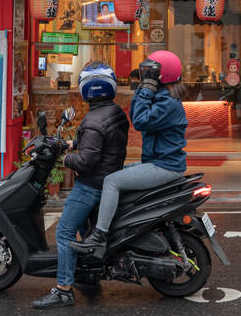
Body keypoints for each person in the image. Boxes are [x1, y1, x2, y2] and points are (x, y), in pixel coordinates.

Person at [73, 50, 187, 260]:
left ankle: (99, 235)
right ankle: (117, 230)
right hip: (157, 163)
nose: (145, 75)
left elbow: (140, 121)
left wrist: (145, 90)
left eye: (150, 72)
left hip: (165, 166)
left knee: (112, 182)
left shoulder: (168, 103)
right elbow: (136, 116)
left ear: (162, 75)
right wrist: (145, 89)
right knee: (113, 174)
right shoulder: (162, 97)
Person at [32, 62, 128, 309]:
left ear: (87, 89)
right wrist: (73, 144)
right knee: (84, 229)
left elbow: (86, 161)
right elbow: (100, 141)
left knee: (64, 232)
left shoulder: (93, 120)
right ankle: (89, 272)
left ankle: (63, 289)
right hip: (109, 177)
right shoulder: (114, 111)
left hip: (91, 185)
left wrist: (65, 159)